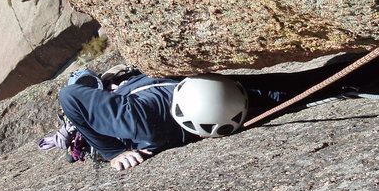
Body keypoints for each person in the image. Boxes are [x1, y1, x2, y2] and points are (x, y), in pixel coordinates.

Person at [57, 60, 353, 171]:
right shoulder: (140, 120)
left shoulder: (217, 98)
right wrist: (114, 152)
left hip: (146, 88)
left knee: (286, 90)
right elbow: (69, 97)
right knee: (80, 81)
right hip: (119, 108)